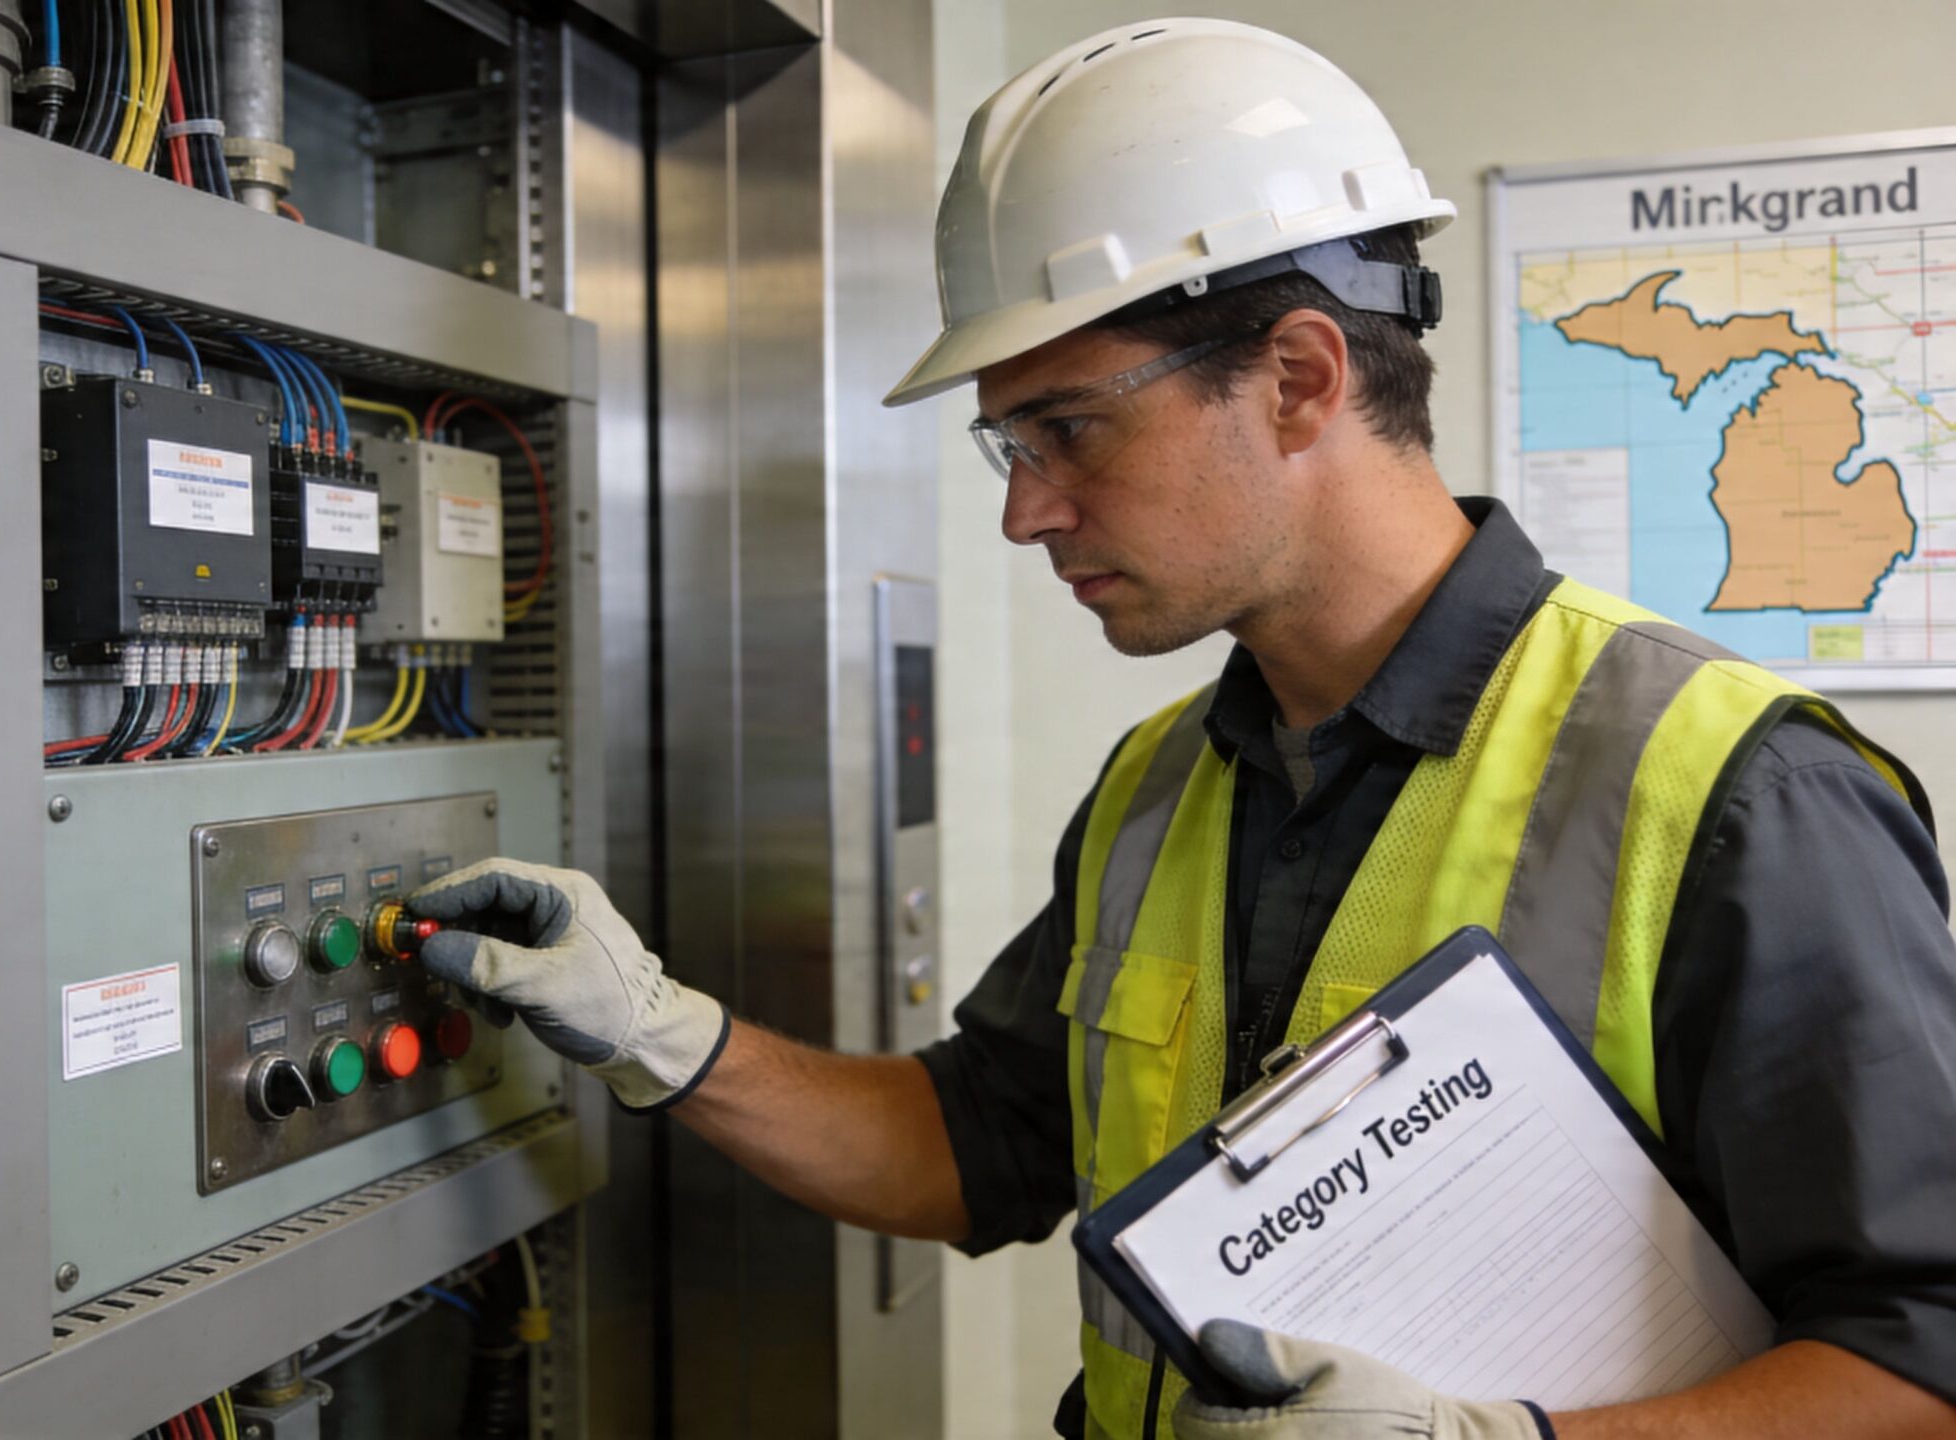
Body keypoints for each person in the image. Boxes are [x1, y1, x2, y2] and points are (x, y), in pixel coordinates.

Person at [405, 18, 1956, 1440]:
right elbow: (984, 1141)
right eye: (1005, 442)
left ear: (1297, 376)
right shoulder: (1162, 787)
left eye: (1066, 428)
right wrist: (663, 1032)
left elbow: (1920, 1352)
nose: (1024, 511)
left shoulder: (1734, 792)